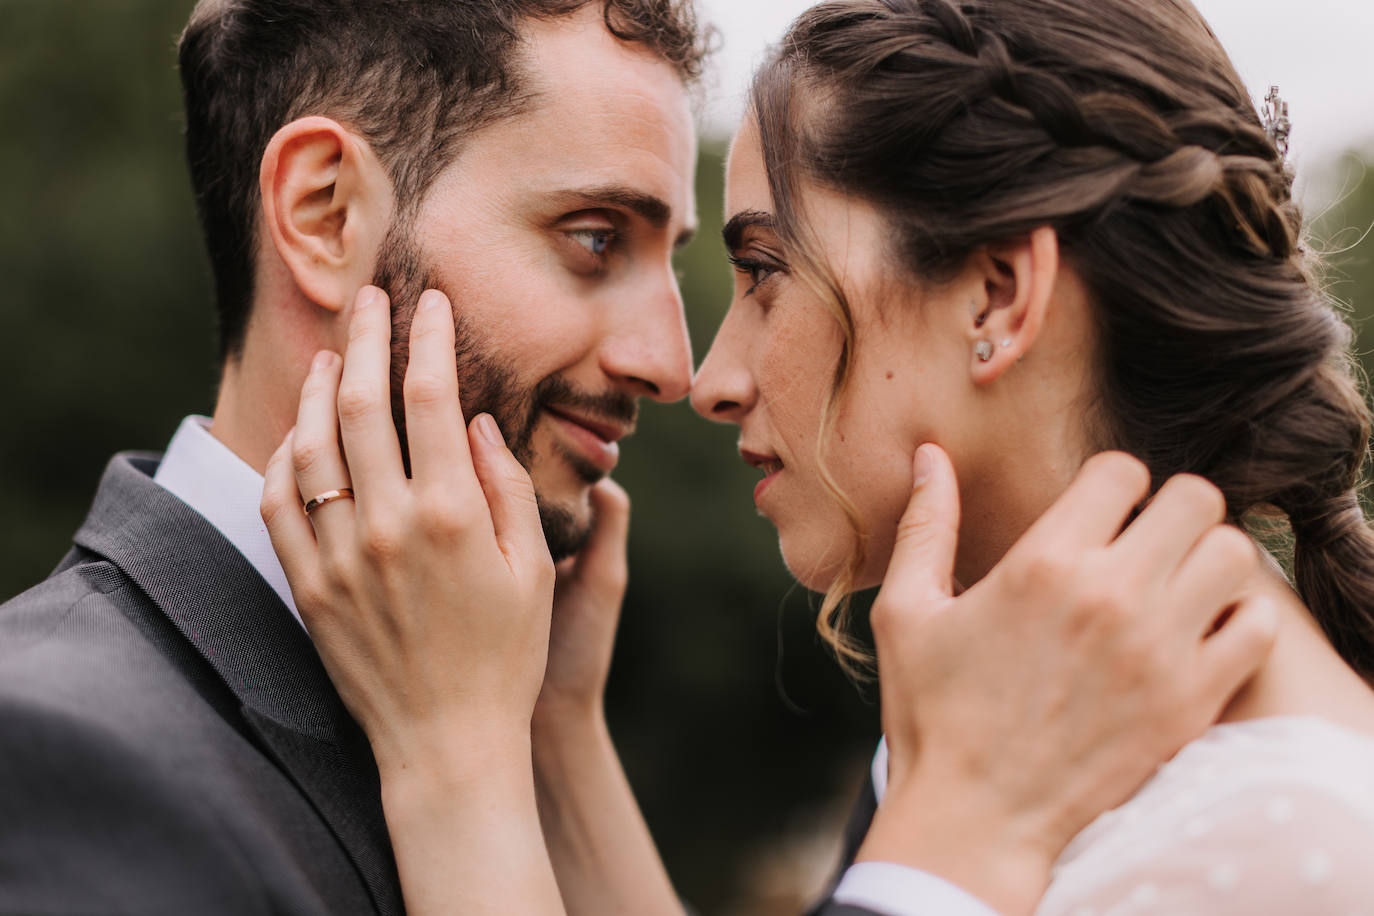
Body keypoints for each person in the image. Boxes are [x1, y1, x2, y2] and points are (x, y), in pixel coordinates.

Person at [0, 0, 1268, 914]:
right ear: (327, 214)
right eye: (595, 240)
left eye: (714, 265)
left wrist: (540, 736)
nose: (676, 361)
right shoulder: (54, 753)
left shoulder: (499, 736)